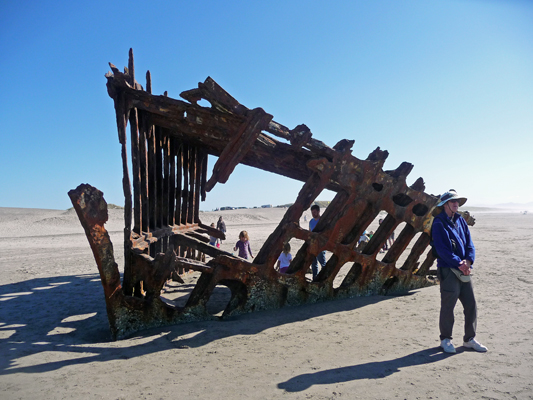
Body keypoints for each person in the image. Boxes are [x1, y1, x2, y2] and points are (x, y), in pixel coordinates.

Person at [432, 189, 488, 354]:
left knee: (471, 304)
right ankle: (446, 339)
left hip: (464, 269)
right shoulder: (438, 222)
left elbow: (469, 243)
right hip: (449, 270)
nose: (456, 204)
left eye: (458, 201)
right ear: (445, 204)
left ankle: (469, 339)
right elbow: (442, 250)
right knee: (448, 306)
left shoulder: (460, 221)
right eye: (453, 201)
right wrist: (459, 263)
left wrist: (469, 261)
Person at [309, 204, 326, 279]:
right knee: (313, 263)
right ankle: (315, 278)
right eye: (312, 212)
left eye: (315, 212)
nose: (313, 214)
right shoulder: (311, 221)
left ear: (319, 211)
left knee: (322, 262)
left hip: (320, 245)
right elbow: (310, 232)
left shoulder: (322, 220)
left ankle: (324, 277)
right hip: (313, 245)